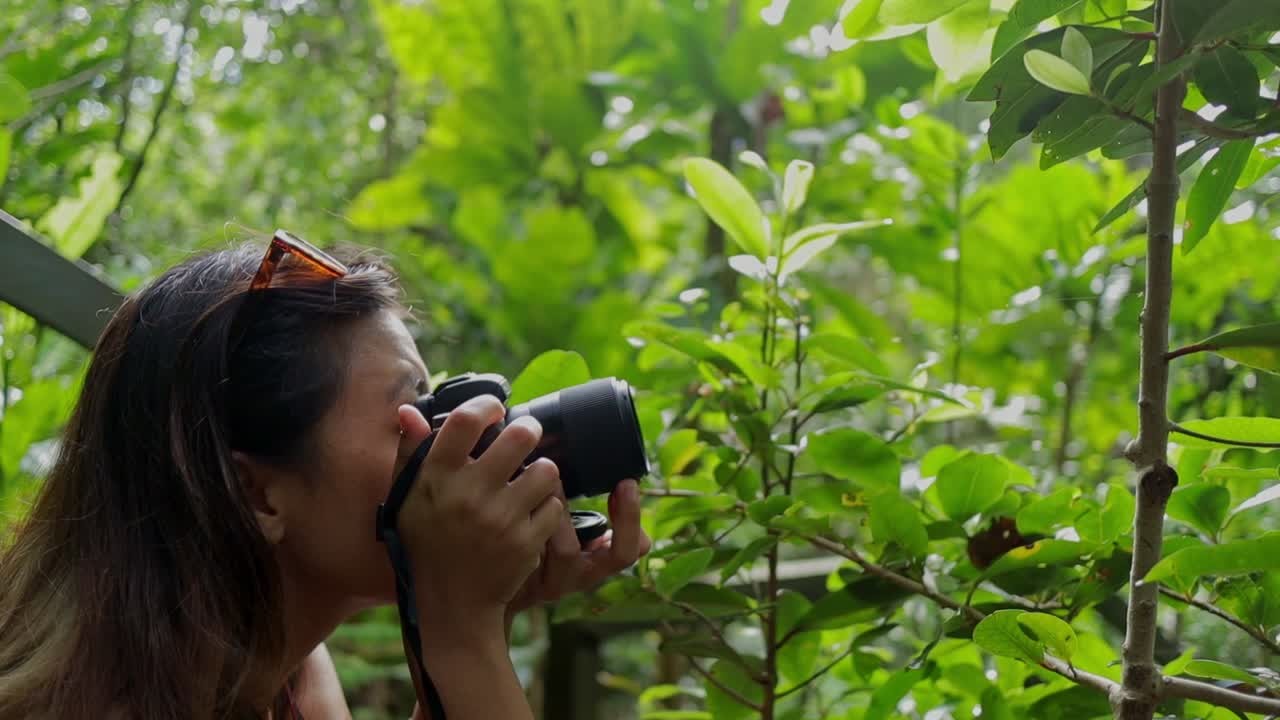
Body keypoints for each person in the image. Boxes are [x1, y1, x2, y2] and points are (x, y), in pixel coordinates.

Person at [0, 231, 651, 719]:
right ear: (255, 493)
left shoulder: (289, 675)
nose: (457, 440)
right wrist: (462, 635)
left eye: (436, 403)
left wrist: (472, 618)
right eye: (411, 416)